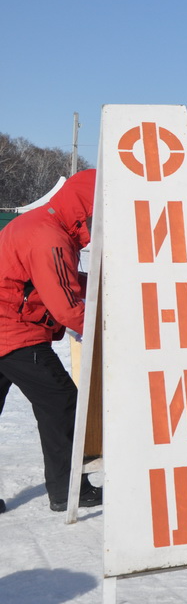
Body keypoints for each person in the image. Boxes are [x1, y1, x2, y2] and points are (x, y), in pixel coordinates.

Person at [0, 169, 102, 512]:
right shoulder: (51, 237)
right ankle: (69, 491)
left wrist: (103, 282)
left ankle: (67, 487)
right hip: (13, 333)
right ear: (89, 207)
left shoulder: (39, 223)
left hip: (5, 327)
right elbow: (67, 307)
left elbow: (55, 278)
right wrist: (109, 331)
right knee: (62, 403)